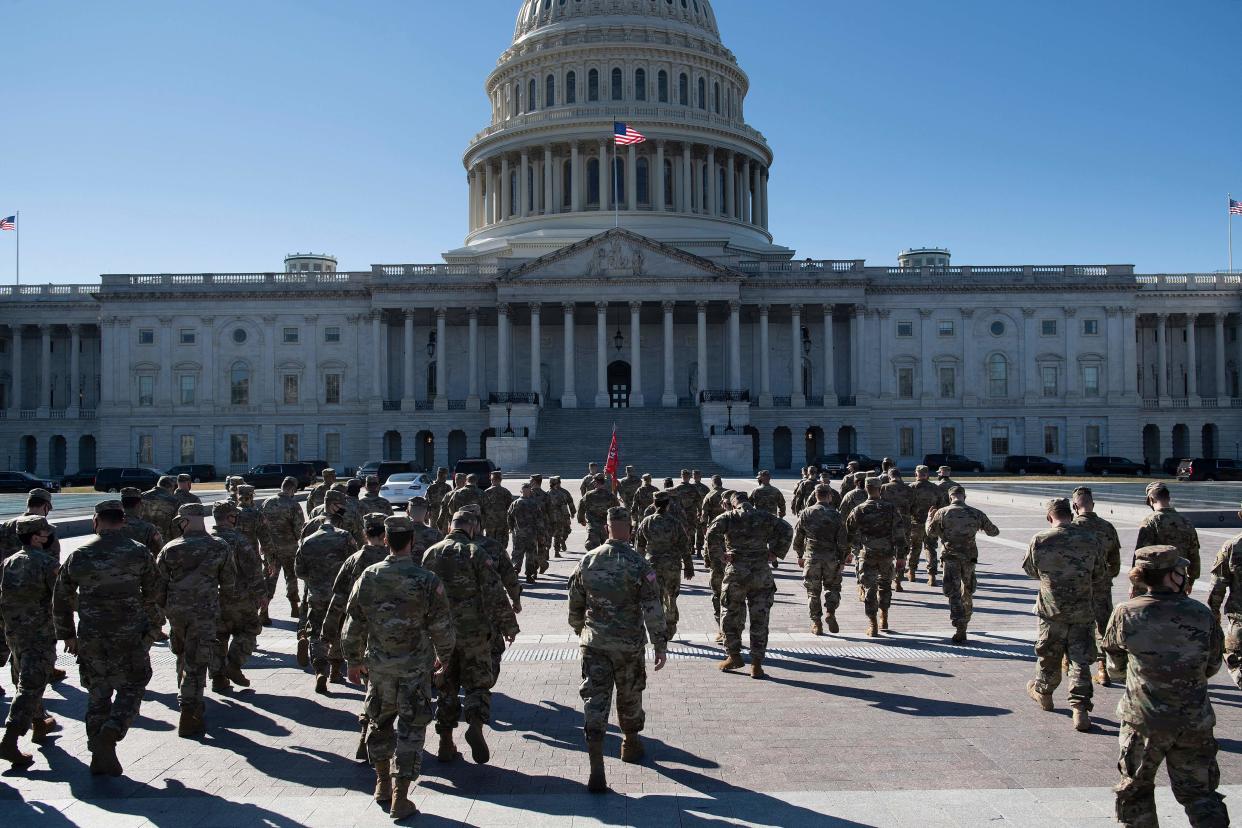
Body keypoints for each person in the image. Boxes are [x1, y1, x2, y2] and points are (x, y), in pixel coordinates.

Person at [1105, 545, 1229, 828]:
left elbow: (1115, 665)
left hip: (1142, 722)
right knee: (1201, 795)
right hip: (1193, 720)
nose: (1185, 574)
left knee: (1135, 793)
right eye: (1181, 570)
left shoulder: (1125, 613)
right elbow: (1211, 665)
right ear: (1172, 576)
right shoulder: (1200, 613)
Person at [342, 515, 456, 820]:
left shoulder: (368, 576)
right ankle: (400, 797)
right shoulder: (426, 580)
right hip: (415, 669)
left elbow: (353, 621)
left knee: (379, 723)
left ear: (387, 541)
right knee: (411, 729)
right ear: (412, 542)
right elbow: (442, 626)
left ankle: (381, 783)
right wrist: (444, 659)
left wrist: (352, 660)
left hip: (378, 668)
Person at [52, 501, 160, 776]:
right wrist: (152, 627)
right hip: (130, 633)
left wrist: (67, 634)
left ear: (96, 520)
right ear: (123, 522)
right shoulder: (138, 552)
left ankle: (98, 749)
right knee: (134, 683)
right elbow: (155, 593)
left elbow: (61, 599)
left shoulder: (80, 554)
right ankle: (111, 732)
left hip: (92, 634)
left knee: (98, 692)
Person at [568, 506, 667, 793]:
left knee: (595, 701)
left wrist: (583, 631)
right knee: (630, 694)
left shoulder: (587, 560)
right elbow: (652, 607)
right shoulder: (638, 563)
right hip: (628, 645)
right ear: (630, 528)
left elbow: (574, 605)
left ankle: (596, 762)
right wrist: (659, 643)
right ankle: (630, 743)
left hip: (595, 643)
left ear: (608, 528)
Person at [422, 509, 519, 766]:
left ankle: (445, 742)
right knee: (477, 684)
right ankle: (475, 723)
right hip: (475, 632)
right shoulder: (477, 553)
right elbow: (494, 592)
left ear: (450, 526)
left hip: (442, 634)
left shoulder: (431, 553)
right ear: (473, 527)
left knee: (446, 686)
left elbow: (422, 594)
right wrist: (509, 625)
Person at [1022, 498, 1106, 732]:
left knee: (1048, 655)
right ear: (1070, 514)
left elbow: (1031, 571)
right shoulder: (1090, 539)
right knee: (1080, 661)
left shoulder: (1040, 540)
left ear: (1049, 517)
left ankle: (1044, 693)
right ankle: (1080, 709)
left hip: (1051, 611)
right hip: (1081, 611)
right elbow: (1100, 574)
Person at [155, 504, 233, 738]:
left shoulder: (170, 548)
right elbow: (228, 582)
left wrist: (165, 609)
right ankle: (190, 708)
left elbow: (158, 586)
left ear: (184, 522)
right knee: (198, 660)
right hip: (205, 611)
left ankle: (187, 697)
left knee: (183, 654)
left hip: (177, 612)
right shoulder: (219, 547)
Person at [325, 512, 393, 762]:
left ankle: (367, 729)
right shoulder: (393, 560)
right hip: (393, 637)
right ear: (385, 536)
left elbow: (339, 599)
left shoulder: (353, 561)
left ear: (365, 534)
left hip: (362, 637)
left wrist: (328, 630)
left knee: (371, 689)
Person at [708, 491, 793, 678]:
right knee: (760, 619)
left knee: (730, 615)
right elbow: (787, 529)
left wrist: (720, 555)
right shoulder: (764, 516)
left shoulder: (727, 517)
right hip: (761, 573)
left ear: (733, 503)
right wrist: (776, 552)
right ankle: (756, 664)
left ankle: (734, 656)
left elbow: (711, 533)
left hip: (736, 573)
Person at [0, 516, 59, 768]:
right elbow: (61, 599)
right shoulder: (47, 564)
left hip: (14, 632)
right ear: (35, 537)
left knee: (25, 679)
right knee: (31, 685)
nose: (48, 538)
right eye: (44, 534)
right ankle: (10, 741)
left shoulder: (9, 562)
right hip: (39, 633)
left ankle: (38, 723)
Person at [296, 490, 359, 693]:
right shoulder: (344, 536)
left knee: (316, 631)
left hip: (315, 590)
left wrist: (315, 579)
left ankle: (319, 669)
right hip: (339, 593)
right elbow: (354, 563)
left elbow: (299, 570)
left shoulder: (309, 531)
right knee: (339, 629)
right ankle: (334, 669)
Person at [925, 486, 999, 643]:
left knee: (954, 592)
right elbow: (994, 532)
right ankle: (965, 621)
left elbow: (930, 533)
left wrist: (929, 518)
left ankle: (959, 625)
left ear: (950, 497)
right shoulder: (976, 513)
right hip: (969, 557)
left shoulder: (942, 512)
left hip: (950, 557)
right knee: (968, 590)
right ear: (964, 496)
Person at [209, 502, 265, 693]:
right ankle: (233, 665)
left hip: (214, 598)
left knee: (218, 636)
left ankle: (218, 678)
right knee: (250, 629)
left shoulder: (207, 540)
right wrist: (262, 594)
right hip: (239, 597)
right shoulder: (239, 540)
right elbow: (254, 570)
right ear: (231, 517)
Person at [1071, 487, 1123, 686]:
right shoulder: (1107, 527)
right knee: (1104, 627)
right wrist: (1104, 577)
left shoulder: (1071, 528)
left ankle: (1074, 666)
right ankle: (1104, 669)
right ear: (1093, 504)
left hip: (1077, 588)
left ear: (1075, 506)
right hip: (1101, 587)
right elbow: (1115, 564)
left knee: (1076, 628)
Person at [845, 478, 904, 637]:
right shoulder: (890, 509)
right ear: (880, 489)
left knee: (870, 588)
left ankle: (873, 623)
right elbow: (899, 533)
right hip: (886, 554)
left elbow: (849, 533)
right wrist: (901, 556)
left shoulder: (859, 509)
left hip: (867, 554)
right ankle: (883, 617)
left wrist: (848, 552)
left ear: (866, 489)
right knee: (885, 586)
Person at [634, 492, 695, 641]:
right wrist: (688, 566)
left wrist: (638, 569)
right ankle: (670, 627)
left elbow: (639, 547)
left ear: (654, 504)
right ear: (668, 504)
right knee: (671, 597)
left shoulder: (646, 522)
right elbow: (684, 546)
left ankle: (658, 629)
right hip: (672, 567)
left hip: (652, 567)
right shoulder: (675, 522)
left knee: (655, 598)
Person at [793, 484, 849, 636]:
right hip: (832, 558)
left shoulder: (805, 513)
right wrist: (843, 559)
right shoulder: (836, 515)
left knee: (813, 592)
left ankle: (817, 623)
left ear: (815, 495)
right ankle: (830, 612)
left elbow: (798, 538)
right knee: (833, 587)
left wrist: (799, 555)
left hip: (812, 557)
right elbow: (843, 540)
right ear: (829, 496)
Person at [1136, 483, 1200, 595]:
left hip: (1155, 584)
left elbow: (1141, 556)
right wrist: (1190, 581)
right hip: (1179, 582)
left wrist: (1135, 586)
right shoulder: (1186, 522)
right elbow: (1194, 555)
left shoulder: (1150, 521)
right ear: (1169, 498)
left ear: (1151, 499)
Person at [261, 476, 306, 624]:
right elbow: (300, 529)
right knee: (291, 577)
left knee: (269, 579)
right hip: (289, 548)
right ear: (292, 489)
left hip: (270, 549)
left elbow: (260, 526)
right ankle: (294, 607)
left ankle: (264, 611)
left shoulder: (267, 502)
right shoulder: (293, 505)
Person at [1208, 504, 1242, 689]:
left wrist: (1214, 612)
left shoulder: (1233, 546)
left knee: (1234, 660)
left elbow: (1218, 584)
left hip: (1239, 621)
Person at [908, 465, 948, 586]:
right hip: (931, 524)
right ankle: (932, 576)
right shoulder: (936, 489)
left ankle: (912, 572)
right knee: (930, 548)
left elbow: (906, 506)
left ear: (916, 474)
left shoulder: (911, 488)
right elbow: (942, 507)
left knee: (914, 548)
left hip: (915, 523)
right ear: (927, 475)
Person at [880, 468, 914, 591]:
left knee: (887, 553)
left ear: (889, 477)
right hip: (904, 525)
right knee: (902, 553)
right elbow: (913, 507)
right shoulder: (909, 489)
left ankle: (886, 579)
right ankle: (898, 581)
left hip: (887, 524)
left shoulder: (883, 488)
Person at [507, 483, 548, 583]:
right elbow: (540, 521)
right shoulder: (534, 504)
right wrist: (541, 534)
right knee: (530, 555)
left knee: (517, 554)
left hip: (519, 534)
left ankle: (516, 571)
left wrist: (512, 529)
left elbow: (509, 518)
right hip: (531, 534)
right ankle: (529, 575)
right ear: (530, 491)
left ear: (521, 491)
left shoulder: (515, 503)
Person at [578, 474, 620, 551]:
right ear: (603, 482)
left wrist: (581, 520)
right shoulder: (610, 495)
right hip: (606, 526)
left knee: (592, 549)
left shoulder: (588, 495)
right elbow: (617, 509)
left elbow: (581, 508)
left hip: (593, 526)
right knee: (607, 549)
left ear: (595, 483)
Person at [480, 471, 514, 550]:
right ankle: (501, 561)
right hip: (503, 523)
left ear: (491, 479)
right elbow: (511, 509)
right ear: (501, 479)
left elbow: (482, 509)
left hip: (489, 523)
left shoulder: (486, 492)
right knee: (502, 545)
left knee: (490, 545)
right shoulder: (506, 492)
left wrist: (482, 524)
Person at [528, 474, 557, 561]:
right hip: (543, 525)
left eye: (530, 480)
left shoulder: (527, 495)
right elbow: (551, 512)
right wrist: (553, 525)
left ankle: (536, 564)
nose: (529, 482)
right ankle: (542, 562)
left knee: (531, 547)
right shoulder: (546, 495)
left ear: (534, 482)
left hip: (530, 525)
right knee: (542, 545)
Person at [547, 476, 576, 556]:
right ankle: (556, 551)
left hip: (554, 516)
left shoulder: (563, 492)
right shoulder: (556, 494)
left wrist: (573, 512)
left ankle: (560, 542)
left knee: (565, 531)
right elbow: (564, 506)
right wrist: (568, 517)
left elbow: (570, 502)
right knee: (557, 534)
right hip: (559, 516)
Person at [425, 467, 452, 532]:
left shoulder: (431, 487)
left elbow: (426, 502)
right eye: (445, 475)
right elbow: (426, 501)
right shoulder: (447, 487)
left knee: (434, 533)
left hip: (437, 514)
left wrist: (426, 514)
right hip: (443, 514)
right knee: (442, 533)